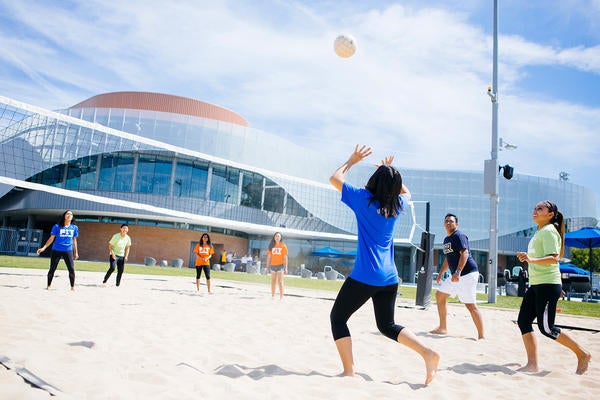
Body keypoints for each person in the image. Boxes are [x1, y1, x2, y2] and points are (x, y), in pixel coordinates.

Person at [328, 145, 439, 385]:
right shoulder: (397, 205)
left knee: (338, 319)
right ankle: (427, 353)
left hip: (366, 275)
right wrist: (390, 174)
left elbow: (335, 178)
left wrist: (352, 160)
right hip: (390, 277)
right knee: (387, 325)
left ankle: (349, 371)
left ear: (374, 181)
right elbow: (406, 191)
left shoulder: (363, 199)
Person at [516, 200, 591, 374]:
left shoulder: (550, 231)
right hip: (537, 284)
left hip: (547, 285)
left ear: (550, 215)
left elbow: (553, 258)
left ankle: (582, 353)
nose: (535, 210)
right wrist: (528, 259)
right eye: (535, 208)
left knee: (547, 328)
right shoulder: (540, 232)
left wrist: (531, 259)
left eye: (540, 208)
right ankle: (532, 364)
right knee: (524, 321)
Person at [429, 213, 485, 339]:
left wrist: (458, 271)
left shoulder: (459, 235)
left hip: (467, 274)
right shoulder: (446, 239)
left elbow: (464, 253)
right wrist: (441, 273)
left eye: (451, 221)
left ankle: (481, 336)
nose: (448, 223)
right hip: (456, 275)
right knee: (440, 296)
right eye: (446, 221)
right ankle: (442, 328)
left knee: (470, 305)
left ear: (456, 224)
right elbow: (448, 259)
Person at [36, 210, 79, 290]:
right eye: (67, 214)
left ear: (72, 217)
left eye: (71, 214)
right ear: (64, 216)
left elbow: (74, 241)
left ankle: (72, 287)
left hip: (68, 250)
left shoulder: (74, 228)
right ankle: (48, 286)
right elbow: (51, 239)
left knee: (71, 269)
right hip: (56, 250)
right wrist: (43, 248)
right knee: (52, 268)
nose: (69, 215)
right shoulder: (57, 226)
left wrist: (76, 252)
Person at [266, 232, 288, 299]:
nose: (277, 237)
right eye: (276, 236)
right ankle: (273, 296)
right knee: (273, 281)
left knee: (280, 282)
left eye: (278, 236)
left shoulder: (283, 246)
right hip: (273, 266)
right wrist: (267, 267)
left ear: (280, 237)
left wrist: (286, 268)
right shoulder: (271, 246)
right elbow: (269, 257)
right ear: (274, 237)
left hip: (280, 266)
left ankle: (281, 297)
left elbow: (285, 258)